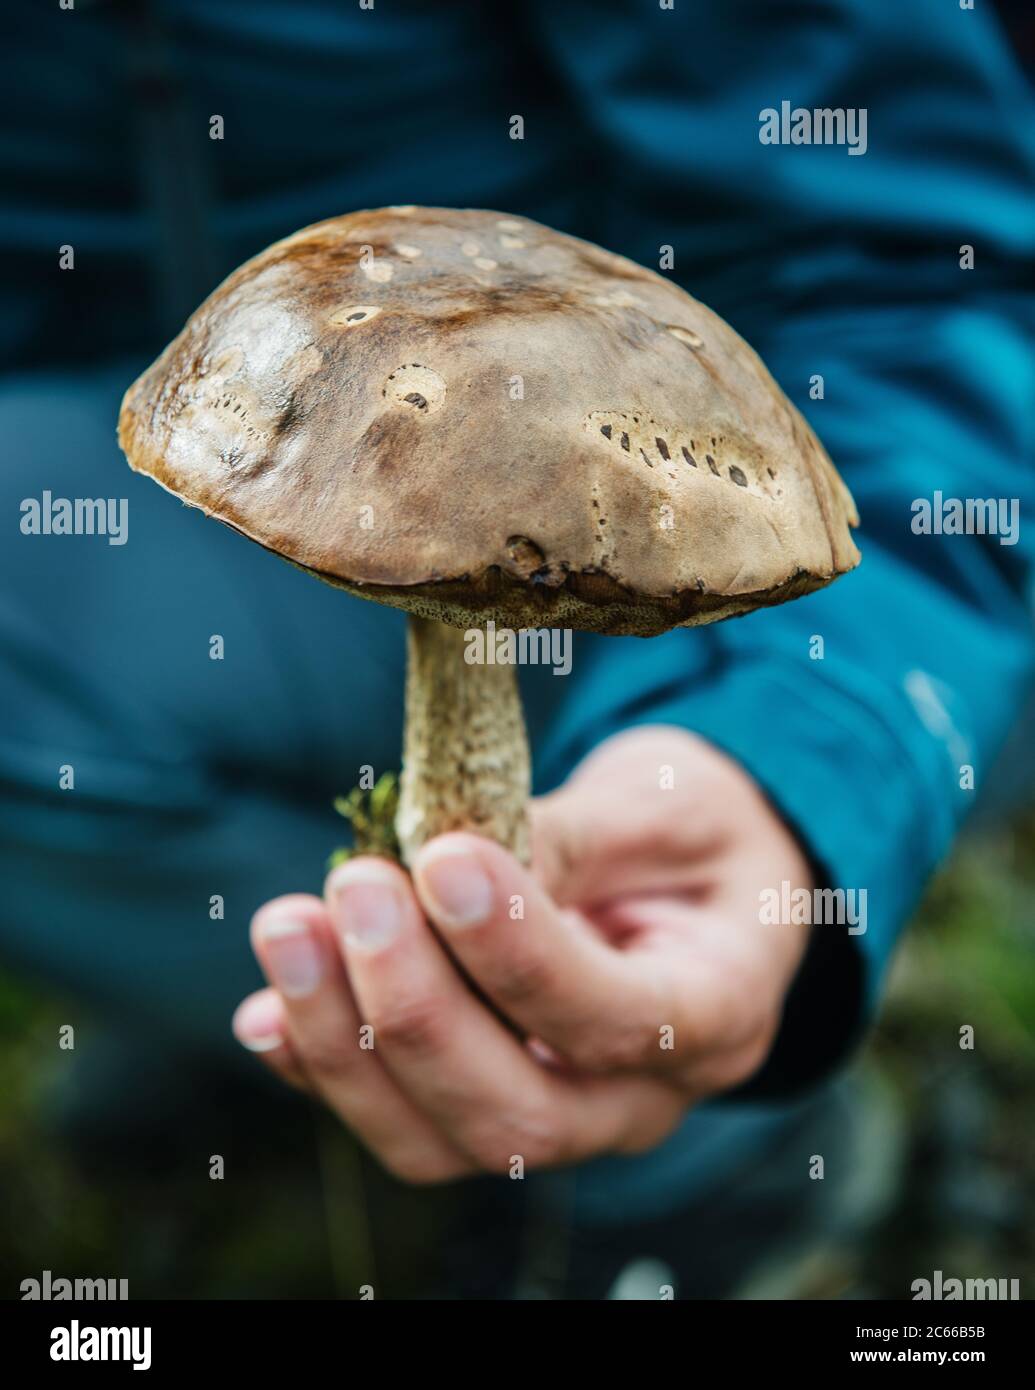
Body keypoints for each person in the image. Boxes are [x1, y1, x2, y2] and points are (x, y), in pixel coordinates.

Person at [2, 0, 1032, 1298]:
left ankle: (701, 1145)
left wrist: (794, 754)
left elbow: (922, 272)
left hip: (801, 544)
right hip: (231, 466)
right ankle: (309, 1016)